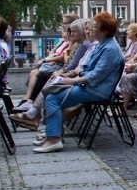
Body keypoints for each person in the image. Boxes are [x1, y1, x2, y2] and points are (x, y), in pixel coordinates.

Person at [33, 12, 124, 153]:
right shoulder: (103, 45)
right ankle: (54, 135)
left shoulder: (109, 48)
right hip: (90, 86)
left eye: (95, 27)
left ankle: (54, 139)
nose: (91, 29)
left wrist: (72, 80)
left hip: (96, 90)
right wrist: (71, 77)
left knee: (52, 98)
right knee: (51, 93)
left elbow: (97, 75)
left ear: (104, 31)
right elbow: (87, 69)